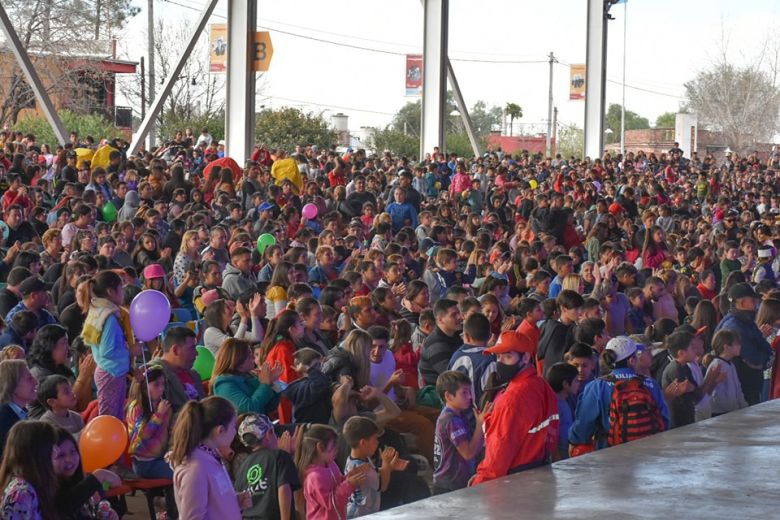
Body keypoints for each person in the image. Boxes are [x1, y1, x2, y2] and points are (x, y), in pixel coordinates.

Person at [472, 331, 559, 484]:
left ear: (525, 357)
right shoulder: (542, 385)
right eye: (498, 357)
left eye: (507, 356)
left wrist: (478, 486)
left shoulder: (510, 400)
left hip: (513, 485)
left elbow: (496, 460)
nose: (500, 363)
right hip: (541, 474)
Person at [569, 337, 669, 455]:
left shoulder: (597, 386)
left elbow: (583, 428)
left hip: (610, 454)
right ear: (632, 360)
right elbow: (665, 420)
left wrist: (573, 440)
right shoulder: (650, 384)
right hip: (647, 452)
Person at [170, 396, 246, 518]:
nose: (235, 432)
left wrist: (234, 501)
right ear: (220, 430)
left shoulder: (211, 456)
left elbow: (213, 501)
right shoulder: (195, 469)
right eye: (233, 427)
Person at [81, 270, 139, 419]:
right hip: (110, 373)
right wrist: (131, 352)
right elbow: (107, 351)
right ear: (111, 291)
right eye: (121, 288)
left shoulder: (99, 311)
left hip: (109, 371)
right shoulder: (109, 318)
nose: (123, 293)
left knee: (116, 415)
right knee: (109, 418)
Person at [232, 414, 301, 520]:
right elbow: (284, 489)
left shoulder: (242, 466)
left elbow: (239, 503)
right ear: (269, 433)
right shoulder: (280, 456)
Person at [432, 371, 490, 494]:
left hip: (454, 484)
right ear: (448, 396)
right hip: (449, 487)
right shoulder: (451, 420)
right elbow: (468, 453)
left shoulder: (459, 415)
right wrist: (480, 425)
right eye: (464, 392)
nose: (470, 396)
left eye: (470, 391)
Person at [714, 283, 772, 405]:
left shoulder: (745, 321)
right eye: (753, 299)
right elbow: (752, 356)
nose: (756, 302)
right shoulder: (734, 326)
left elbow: (765, 347)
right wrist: (764, 361)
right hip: (743, 386)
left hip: (750, 383)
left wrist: (764, 360)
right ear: (741, 303)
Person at [296, 424, 368, 520]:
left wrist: (349, 477)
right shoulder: (314, 477)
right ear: (320, 447)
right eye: (334, 446)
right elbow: (331, 503)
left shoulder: (331, 464)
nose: (337, 450)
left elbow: (337, 484)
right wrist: (349, 484)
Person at [343, 416, 408, 518]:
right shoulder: (361, 467)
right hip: (360, 514)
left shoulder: (359, 459)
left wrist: (390, 467)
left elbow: (377, 473)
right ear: (363, 443)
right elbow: (383, 485)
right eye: (375, 439)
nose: (378, 443)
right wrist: (386, 463)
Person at [51, 427, 122, 520]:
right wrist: (98, 476)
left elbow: (92, 509)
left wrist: (104, 513)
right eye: (61, 455)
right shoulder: (49, 490)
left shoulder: (81, 481)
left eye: (73, 451)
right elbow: (64, 507)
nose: (69, 459)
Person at [0, 421, 59, 519]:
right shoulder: (21, 493)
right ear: (39, 452)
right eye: (52, 446)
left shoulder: (33, 485)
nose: (56, 451)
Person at [212, 338, 282, 415]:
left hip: (261, 424)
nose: (253, 358)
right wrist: (265, 384)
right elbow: (248, 410)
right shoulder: (224, 384)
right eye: (249, 356)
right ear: (238, 362)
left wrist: (272, 381)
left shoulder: (250, 375)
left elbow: (271, 407)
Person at [148, 326, 203, 414]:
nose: (197, 353)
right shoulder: (152, 377)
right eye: (192, 348)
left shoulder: (194, 375)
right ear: (175, 350)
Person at [447, 313, 496, 405]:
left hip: (455, 414)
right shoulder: (491, 360)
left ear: (466, 336)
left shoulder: (456, 355)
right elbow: (490, 397)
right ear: (490, 336)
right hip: (478, 416)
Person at [419, 299, 463, 387]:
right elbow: (452, 375)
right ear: (440, 320)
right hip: (440, 394)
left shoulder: (456, 334)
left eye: (458, 313)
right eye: (454, 315)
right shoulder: (435, 344)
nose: (459, 317)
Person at [282, 348, 332, 424]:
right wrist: (309, 369)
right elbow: (321, 384)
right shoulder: (301, 387)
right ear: (304, 369)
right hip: (309, 430)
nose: (319, 368)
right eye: (315, 366)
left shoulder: (317, 379)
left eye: (320, 364)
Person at [0, 360, 38, 459]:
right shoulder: (3, 419)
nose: (36, 381)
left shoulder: (21, 412)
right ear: (13, 385)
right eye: (29, 378)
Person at [707, 329, 748, 416]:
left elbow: (737, 387)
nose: (740, 346)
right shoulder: (717, 365)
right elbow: (714, 391)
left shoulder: (730, 365)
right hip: (721, 413)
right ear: (726, 347)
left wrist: (743, 406)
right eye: (737, 344)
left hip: (732, 411)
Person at [545, 363, 580, 460]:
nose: (579, 382)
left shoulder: (563, 400)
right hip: (560, 454)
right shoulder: (555, 405)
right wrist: (557, 458)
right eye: (576, 380)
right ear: (565, 384)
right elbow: (552, 434)